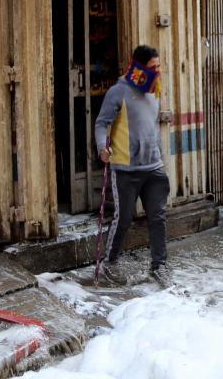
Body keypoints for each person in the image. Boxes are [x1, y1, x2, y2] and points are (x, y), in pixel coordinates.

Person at [94, 44, 171, 287]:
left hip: (154, 168)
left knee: (158, 218)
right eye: (153, 67)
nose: (158, 71)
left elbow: (152, 125)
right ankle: (110, 263)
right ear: (138, 67)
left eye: (159, 66)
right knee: (124, 218)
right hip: (126, 170)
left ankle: (159, 266)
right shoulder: (118, 92)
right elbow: (100, 124)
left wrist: (159, 153)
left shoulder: (153, 89)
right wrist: (101, 148)